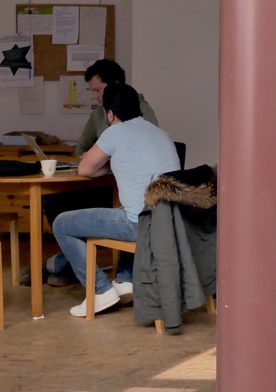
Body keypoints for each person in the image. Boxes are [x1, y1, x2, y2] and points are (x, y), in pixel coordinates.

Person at [28, 59, 161, 287]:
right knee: (54, 199)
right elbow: (83, 147)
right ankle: (70, 262)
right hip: (108, 185)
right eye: (93, 91)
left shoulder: (137, 115)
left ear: (115, 85)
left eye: (99, 90)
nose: (95, 96)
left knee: (71, 221)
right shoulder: (101, 114)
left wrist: (103, 161)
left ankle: (71, 270)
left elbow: (138, 150)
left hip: (129, 195)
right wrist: (94, 158)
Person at [52, 82, 180, 316]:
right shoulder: (160, 133)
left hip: (141, 225)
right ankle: (126, 279)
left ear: (110, 114)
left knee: (62, 224)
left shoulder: (115, 132)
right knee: (129, 206)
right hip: (171, 221)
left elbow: (84, 169)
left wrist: (108, 165)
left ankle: (100, 291)